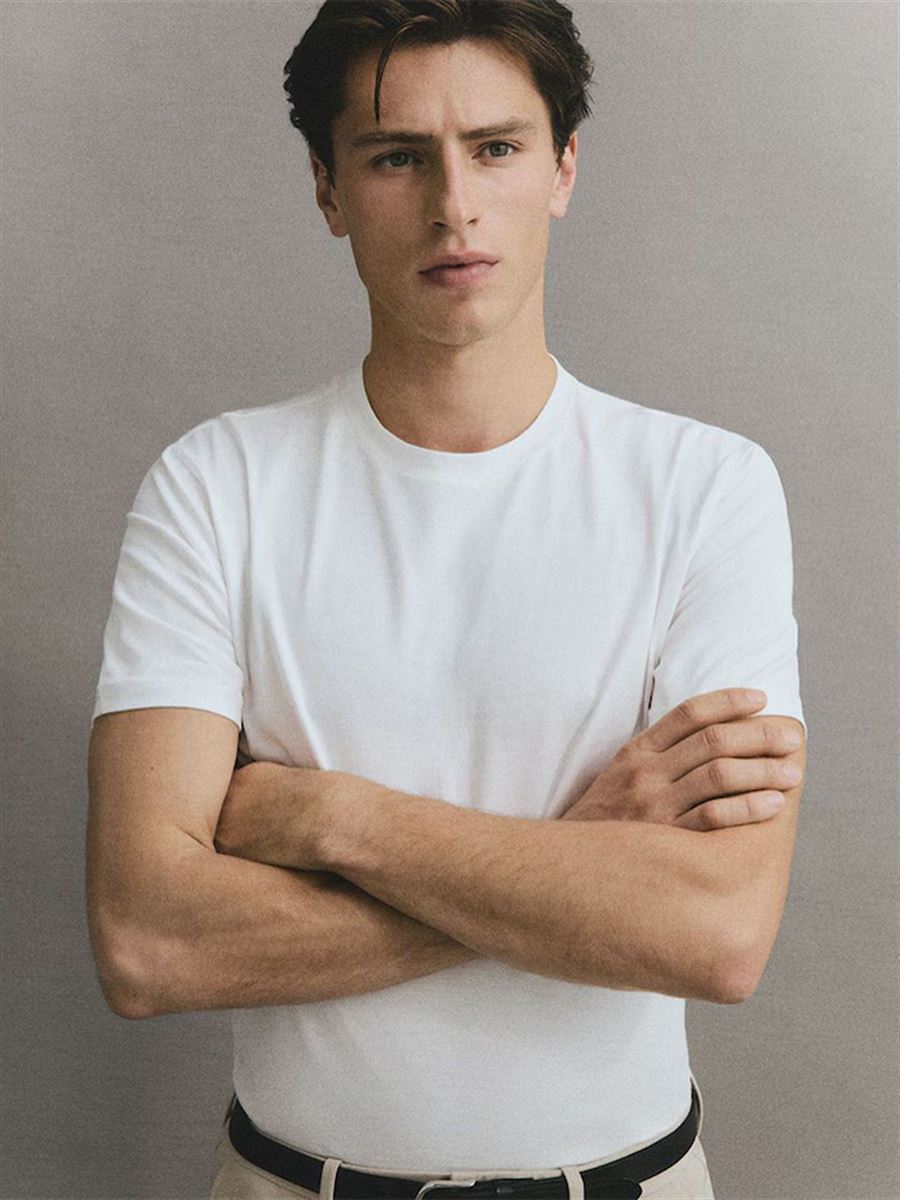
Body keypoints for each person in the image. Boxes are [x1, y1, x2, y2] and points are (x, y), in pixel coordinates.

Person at [86, 2, 808, 1198]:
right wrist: (578, 865)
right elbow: (149, 942)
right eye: (395, 157)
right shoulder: (217, 486)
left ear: (563, 168)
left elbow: (717, 936)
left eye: (497, 147)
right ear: (327, 188)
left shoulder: (705, 488)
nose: (453, 205)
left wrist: (335, 822)